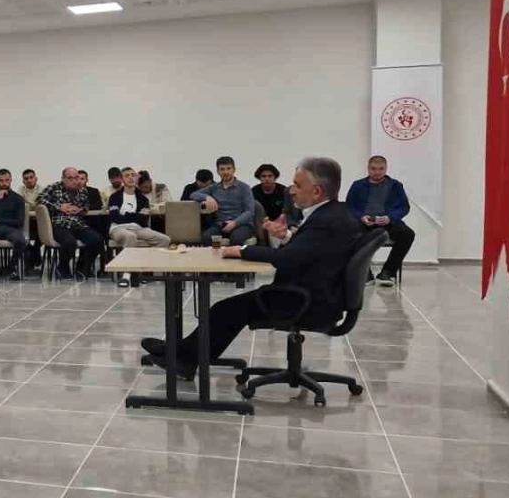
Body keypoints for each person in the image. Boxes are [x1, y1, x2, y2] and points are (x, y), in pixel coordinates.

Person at [143, 158, 360, 373]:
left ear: (316, 192)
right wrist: (286, 237)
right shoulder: (334, 213)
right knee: (226, 310)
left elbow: (286, 258)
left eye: (297, 185)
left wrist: (243, 250)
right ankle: (183, 354)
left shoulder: (326, 221)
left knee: (226, 310)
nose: (291, 190)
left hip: (306, 301)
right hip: (313, 294)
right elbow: (308, 251)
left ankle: (184, 357)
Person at [345, 155, 414, 285]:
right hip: (365, 223)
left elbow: (404, 207)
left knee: (408, 234)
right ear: (368, 169)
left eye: (381, 169)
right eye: (374, 168)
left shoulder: (395, 185)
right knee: (348, 233)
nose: (377, 172)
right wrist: (361, 217)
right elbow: (349, 206)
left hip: (387, 222)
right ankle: (365, 273)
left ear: (386, 169)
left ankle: (387, 272)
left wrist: (390, 217)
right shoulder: (357, 185)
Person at [40, 167, 104, 279]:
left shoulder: (82, 190)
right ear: (63, 179)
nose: (74, 181)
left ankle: (82, 267)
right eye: (70, 178)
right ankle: (62, 268)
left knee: (97, 240)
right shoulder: (54, 187)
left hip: (77, 224)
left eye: (76, 178)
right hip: (59, 224)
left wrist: (80, 209)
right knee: (70, 242)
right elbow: (40, 200)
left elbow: (86, 205)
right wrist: (59, 206)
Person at [192, 156, 256, 245]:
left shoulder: (244, 188)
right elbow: (193, 195)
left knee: (236, 239)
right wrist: (207, 197)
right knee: (206, 237)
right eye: (222, 169)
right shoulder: (214, 187)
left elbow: (250, 211)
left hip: (241, 224)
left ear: (234, 170)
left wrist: (234, 223)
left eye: (228, 168)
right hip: (221, 224)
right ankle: (216, 254)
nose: (225, 172)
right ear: (218, 171)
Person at [108, 167, 169, 254]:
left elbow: (143, 219)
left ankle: (148, 260)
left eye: (133, 175)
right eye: (127, 176)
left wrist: (126, 215)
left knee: (164, 239)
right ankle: (127, 263)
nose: (130, 177)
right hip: (118, 228)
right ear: (122, 179)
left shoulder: (143, 199)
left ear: (136, 178)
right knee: (130, 236)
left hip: (138, 228)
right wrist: (135, 216)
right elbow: (115, 217)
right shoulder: (114, 197)